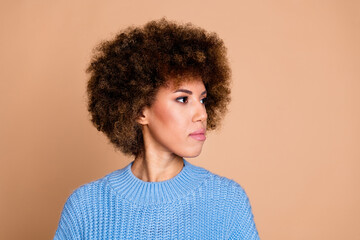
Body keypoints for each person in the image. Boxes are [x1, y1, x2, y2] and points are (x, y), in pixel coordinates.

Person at [54, 18, 260, 239]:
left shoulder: (227, 201)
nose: (202, 114)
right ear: (140, 111)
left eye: (203, 100)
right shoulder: (86, 207)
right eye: (182, 99)